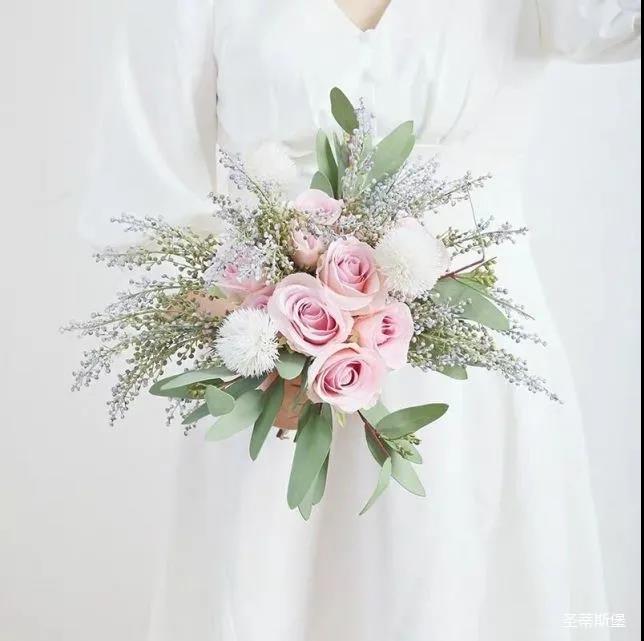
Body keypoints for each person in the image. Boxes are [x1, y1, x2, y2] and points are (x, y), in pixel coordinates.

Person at [81, 1, 641, 639]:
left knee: (465, 589)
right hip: (274, 382)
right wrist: (256, 337)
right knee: (274, 590)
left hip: (476, 383)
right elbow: (142, 205)